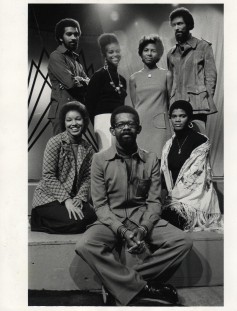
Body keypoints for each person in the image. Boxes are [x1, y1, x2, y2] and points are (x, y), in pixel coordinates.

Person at [75, 106, 192, 306]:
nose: (126, 128)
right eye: (120, 124)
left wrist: (144, 228)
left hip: (142, 216)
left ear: (138, 129)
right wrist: (121, 230)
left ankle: (119, 283)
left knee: (183, 242)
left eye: (130, 124)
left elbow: (155, 201)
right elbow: (100, 205)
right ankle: (143, 287)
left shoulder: (151, 160)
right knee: (84, 245)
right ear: (113, 131)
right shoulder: (99, 160)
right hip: (111, 218)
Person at [31, 101, 96, 234]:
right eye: (69, 120)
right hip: (49, 197)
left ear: (84, 121)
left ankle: (61, 219)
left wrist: (79, 197)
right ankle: (38, 220)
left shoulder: (87, 147)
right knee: (77, 223)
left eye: (78, 119)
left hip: (73, 197)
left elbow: (87, 177)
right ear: (64, 123)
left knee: (92, 216)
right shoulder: (55, 142)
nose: (74, 124)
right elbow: (48, 175)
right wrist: (67, 200)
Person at [161, 100, 223, 232]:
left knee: (171, 220)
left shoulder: (200, 141)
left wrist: (175, 200)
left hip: (193, 201)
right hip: (171, 199)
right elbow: (165, 174)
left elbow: (195, 176)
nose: (178, 120)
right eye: (174, 116)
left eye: (182, 116)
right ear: (170, 118)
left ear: (189, 117)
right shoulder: (168, 145)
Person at [167, 7, 217, 133]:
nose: (177, 27)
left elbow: (211, 77)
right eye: (174, 25)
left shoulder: (203, 47)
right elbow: (170, 80)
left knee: (198, 145)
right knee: (180, 146)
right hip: (177, 107)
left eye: (180, 23)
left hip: (197, 106)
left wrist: (204, 96)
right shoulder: (171, 53)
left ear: (189, 25)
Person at [129, 35, 172, 159]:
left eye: (153, 51)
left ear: (159, 54)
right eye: (146, 50)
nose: (149, 54)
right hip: (141, 124)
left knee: (161, 159)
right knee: (141, 160)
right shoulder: (133, 78)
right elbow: (135, 104)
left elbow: (170, 101)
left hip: (160, 124)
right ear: (141, 53)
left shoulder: (167, 74)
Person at [85, 33, 127, 151]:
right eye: (111, 52)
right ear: (105, 55)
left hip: (119, 121)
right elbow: (89, 104)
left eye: (117, 51)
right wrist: (98, 125)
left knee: (122, 155)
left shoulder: (122, 79)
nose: (115, 55)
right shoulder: (99, 76)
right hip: (103, 121)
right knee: (108, 156)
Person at [48, 18, 90, 135]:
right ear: (61, 37)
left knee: (77, 150)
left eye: (76, 34)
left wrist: (80, 80)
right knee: (63, 149)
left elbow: (90, 85)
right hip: (62, 112)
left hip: (77, 112)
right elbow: (70, 83)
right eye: (69, 34)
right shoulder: (56, 56)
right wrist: (82, 80)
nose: (74, 37)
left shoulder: (76, 62)